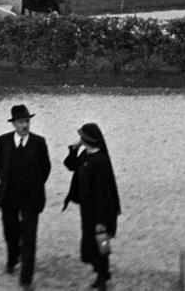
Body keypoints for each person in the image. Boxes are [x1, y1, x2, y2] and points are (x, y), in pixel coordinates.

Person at [0, 103, 51, 287]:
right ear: (13, 124)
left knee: (29, 237)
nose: (25, 125)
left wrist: (33, 184)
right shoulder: (3, 141)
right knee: (10, 232)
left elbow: (45, 168)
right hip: (9, 196)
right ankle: (12, 258)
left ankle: (26, 279)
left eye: (27, 121)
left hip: (30, 198)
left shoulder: (39, 142)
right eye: (20, 122)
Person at [63, 122, 121, 290]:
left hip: (100, 212)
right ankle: (101, 273)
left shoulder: (100, 162)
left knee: (101, 244)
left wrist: (101, 220)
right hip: (87, 210)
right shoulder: (85, 155)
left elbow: (104, 195)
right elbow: (69, 165)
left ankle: (103, 278)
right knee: (93, 244)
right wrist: (74, 149)